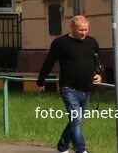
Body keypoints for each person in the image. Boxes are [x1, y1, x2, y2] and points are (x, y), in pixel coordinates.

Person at [37, 14, 103, 153]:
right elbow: (49, 62)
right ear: (72, 27)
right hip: (69, 88)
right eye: (80, 30)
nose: (83, 33)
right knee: (76, 119)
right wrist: (41, 80)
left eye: (86, 29)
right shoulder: (60, 43)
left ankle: (62, 147)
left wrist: (99, 75)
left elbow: (98, 62)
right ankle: (81, 149)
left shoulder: (92, 42)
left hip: (86, 88)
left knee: (77, 121)